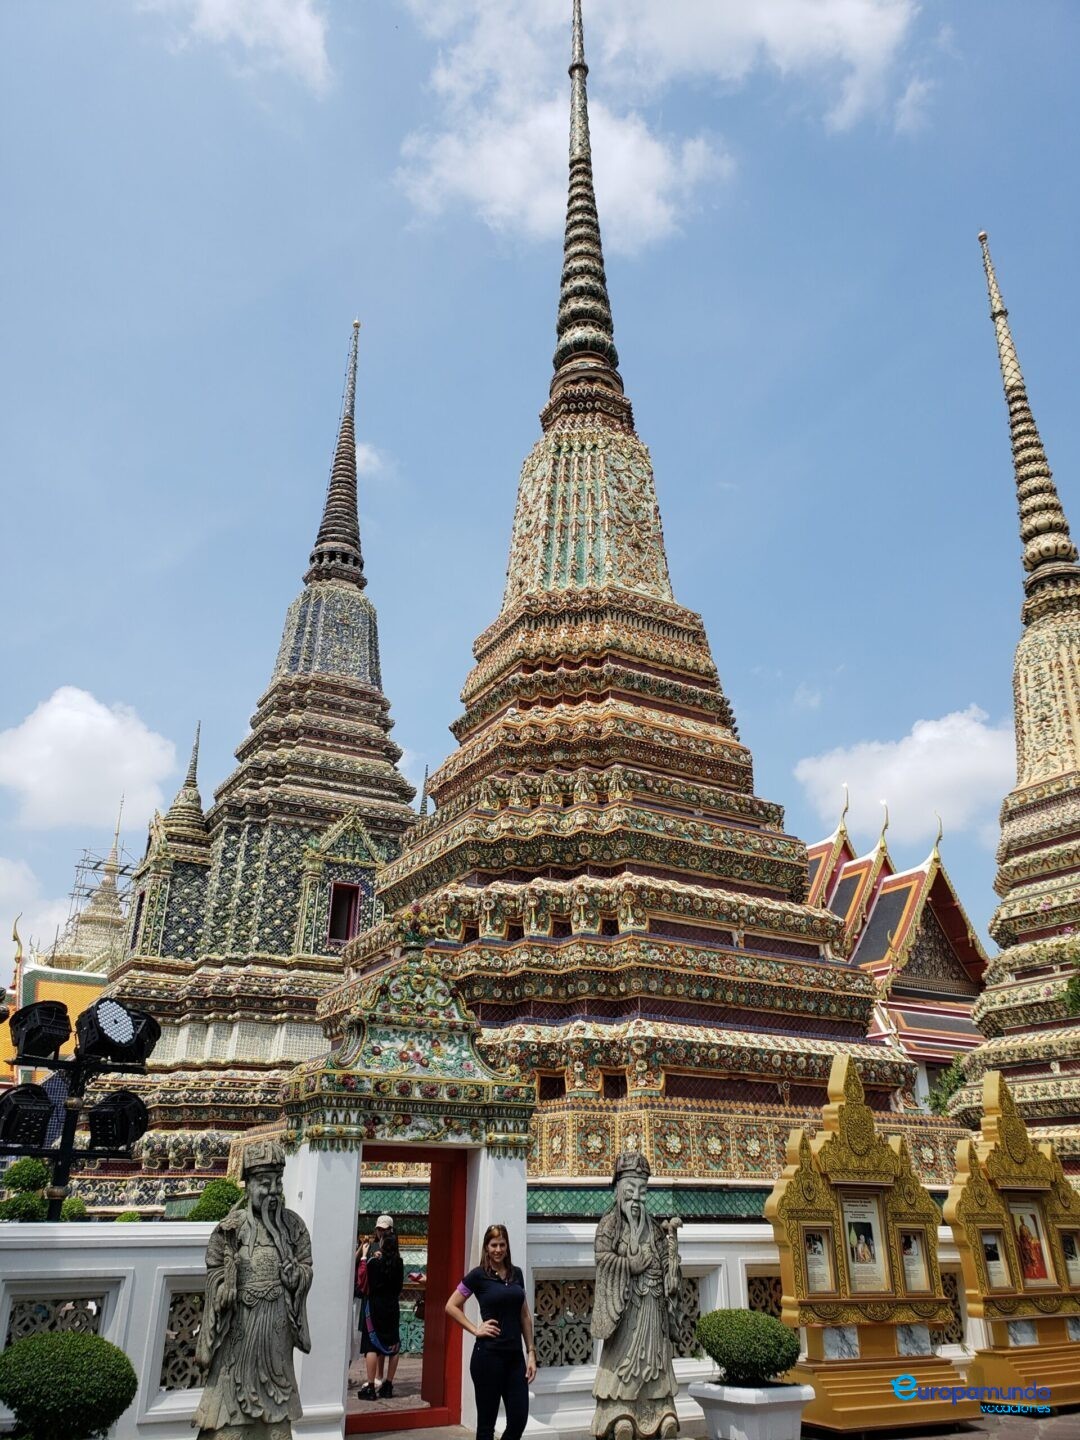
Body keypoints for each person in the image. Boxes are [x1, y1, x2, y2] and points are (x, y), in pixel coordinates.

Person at [193, 1138, 312, 1438]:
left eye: (277, 1182)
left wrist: (295, 1277)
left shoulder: (294, 1228)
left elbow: (306, 1268)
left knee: (277, 1426)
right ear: (247, 1186)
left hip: (275, 1338)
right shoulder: (229, 1231)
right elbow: (213, 1275)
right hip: (239, 1337)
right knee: (227, 1426)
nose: (272, 1191)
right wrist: (224, 1289)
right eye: (263, 1183)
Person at [591, 1152, 680, 1440]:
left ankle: (660, 1409)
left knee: (655, 1360)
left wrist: (671, 1266)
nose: (637, 1199)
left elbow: (666, 1260)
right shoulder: (610, 1226)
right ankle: (618, 1411)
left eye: (642, 1192)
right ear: (618, 1191)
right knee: (625, 1359)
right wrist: (629, 1265)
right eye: (630, 1192)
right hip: (626, 1306)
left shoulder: (654, 1228)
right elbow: (602, 1258)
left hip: (652, 1304)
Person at [445, 1224, 537, 1440]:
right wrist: (476, 1329)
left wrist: (531, 1352)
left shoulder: (517, 1274)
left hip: (515, 1358)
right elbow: (450, 1305)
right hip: (488, 1357)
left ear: (507, 1246)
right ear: (487, 1247)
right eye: (493, 1245)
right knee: (486, 1426)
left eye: (502, 1244)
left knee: (518, 1419)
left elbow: (524, 1315)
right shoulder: (478, 1276)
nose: (498, 1250)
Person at [358, 1215, 405, 1400]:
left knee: (371, 1346)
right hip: (392, 1306)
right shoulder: (399, 1263)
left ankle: (370, 1386)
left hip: (375, 1305)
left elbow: (363, 1281)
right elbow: (400, 1287)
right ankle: (388, 1384)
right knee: (393, 1345)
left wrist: (364, 1256)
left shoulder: (373, 1262)